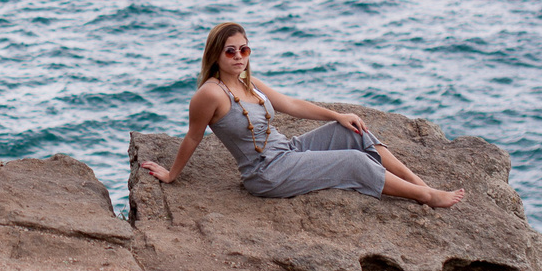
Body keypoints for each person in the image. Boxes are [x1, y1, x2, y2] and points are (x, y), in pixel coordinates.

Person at [140, 22, 465, 208]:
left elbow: (291, 104)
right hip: (266, 173)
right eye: (230, 51)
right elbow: (194, 136)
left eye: (244, 49)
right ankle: (427, 197)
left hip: (287, 153)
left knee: (355, 132)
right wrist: (171, 175)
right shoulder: (209, 94)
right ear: (215, 55)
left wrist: (337, 115)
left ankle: (420, 184)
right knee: (354, 162)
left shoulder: (248, 82)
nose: (239, 56)